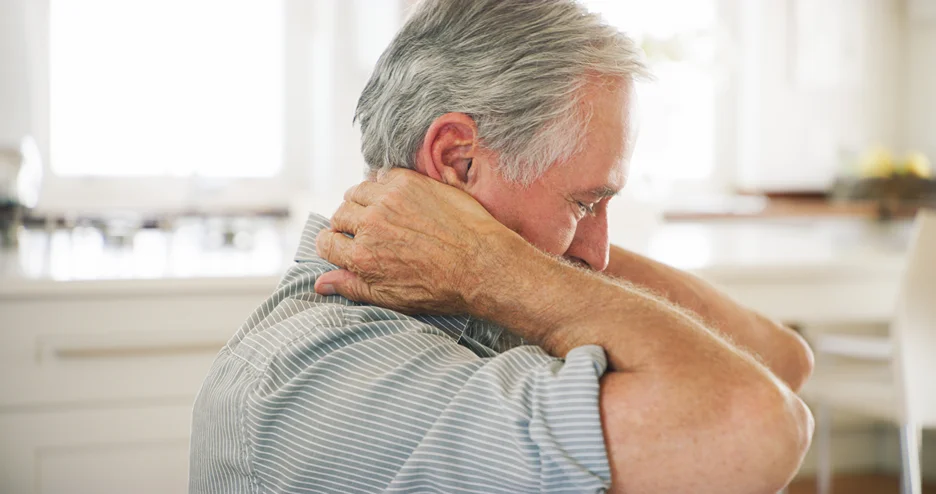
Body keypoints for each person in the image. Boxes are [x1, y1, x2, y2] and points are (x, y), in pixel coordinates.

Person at [189, 1, 815, 492]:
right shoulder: (325, 369)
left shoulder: (478, 301)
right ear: (457, 161)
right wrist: (496, 265)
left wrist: (490, 261)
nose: (597, 254)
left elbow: (783, 361)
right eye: (583, 202)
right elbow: (758, 426)